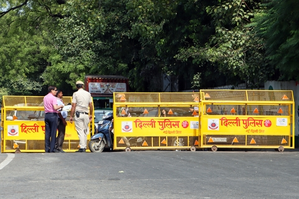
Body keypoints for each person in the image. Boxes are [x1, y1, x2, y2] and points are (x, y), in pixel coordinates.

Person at [70, 80, 93, 152]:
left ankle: (82, 147)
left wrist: (71, 116)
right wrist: (91, 114)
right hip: (86, 114)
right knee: (85, 130)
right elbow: (91, 105)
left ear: (76, 87)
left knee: (80, 131)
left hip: (78, 114)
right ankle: (84, 146)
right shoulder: (88, 94)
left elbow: (73, 105)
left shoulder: (75, 94)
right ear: (82, 86)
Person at [43, 86, 64, 153]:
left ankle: (46, 148)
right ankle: (52, 149)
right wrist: (61, 105)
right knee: (53, 133)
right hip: (53, 115)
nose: (56, 91)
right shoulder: (53, 98)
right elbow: (55, 107)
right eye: (55, 90)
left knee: (47, 133)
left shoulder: (45, 97)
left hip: (47, 115)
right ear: (51, 90)